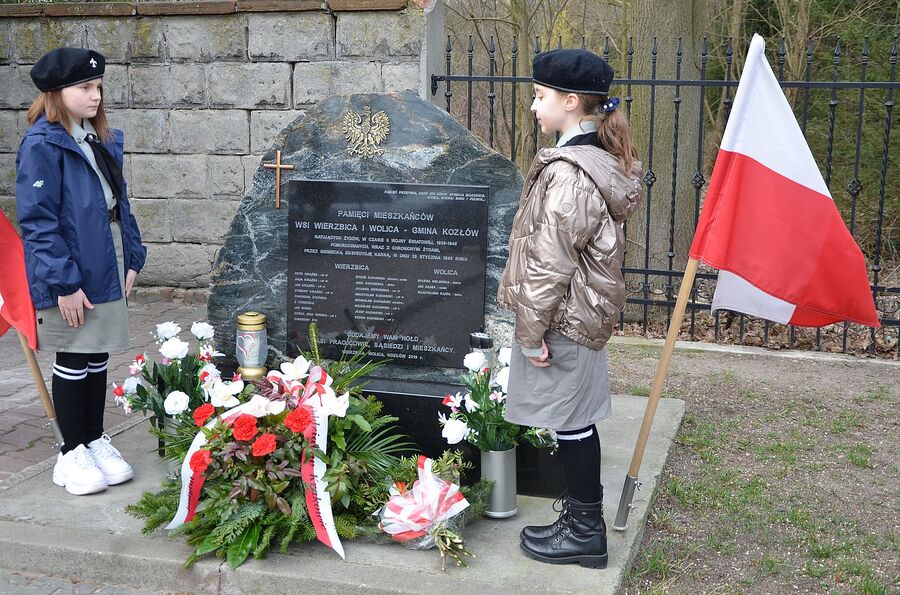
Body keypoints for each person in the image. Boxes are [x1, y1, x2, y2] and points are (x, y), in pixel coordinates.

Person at [497, 48, 643, 568]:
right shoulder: (590, 161)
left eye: (540, 97)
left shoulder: (570, 172)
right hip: (576, 316)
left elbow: (549, 262)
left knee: (573, 424)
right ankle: (581, 521)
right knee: (573, 420)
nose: (534, 107)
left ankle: (586, 532)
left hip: (563, 320)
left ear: (572, 102)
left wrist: (531, 333)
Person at [16, 47, 146, 495]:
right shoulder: (42, 144)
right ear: (58, 92)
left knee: (98, 352)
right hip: (71, 265)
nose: (96, 95)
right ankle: (71, 452)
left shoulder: (97, 137)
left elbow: (119, 204)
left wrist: (132, 257)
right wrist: (64, 283)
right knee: (74, 353)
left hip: (104, 256)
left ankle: (93, 438)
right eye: (85, 87)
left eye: (98, 86)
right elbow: (38, 221)